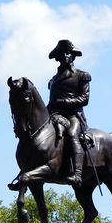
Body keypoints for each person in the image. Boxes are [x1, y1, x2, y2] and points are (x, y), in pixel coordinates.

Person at [46, 39, 90, 186]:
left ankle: (77, 174)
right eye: (62, 53)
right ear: (57, 57)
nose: (65, 56)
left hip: (73, 116)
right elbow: (51, 102)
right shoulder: (53, 80)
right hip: (55, 116)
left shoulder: (81, 76)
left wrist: (64, 103)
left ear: (73, 56)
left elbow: (84, 99)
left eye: (68, 53)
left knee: (72, 134)